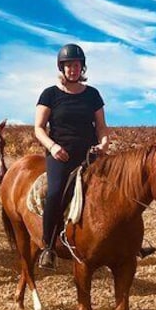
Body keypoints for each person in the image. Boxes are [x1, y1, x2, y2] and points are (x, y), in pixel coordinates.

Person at [34, 44, 109, 270]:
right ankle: (48, 246)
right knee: (56, 192)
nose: (73, 69)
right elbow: (38, 128)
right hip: (61, 155)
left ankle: (124, 242)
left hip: (88, 154)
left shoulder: (92, 94)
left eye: (76, 65)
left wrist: (104, 143)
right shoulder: (50, 94)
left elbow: (102, 127)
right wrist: (53, 146)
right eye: (68, 65)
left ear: (82, 67)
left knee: (113, 189)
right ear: (62, 68)